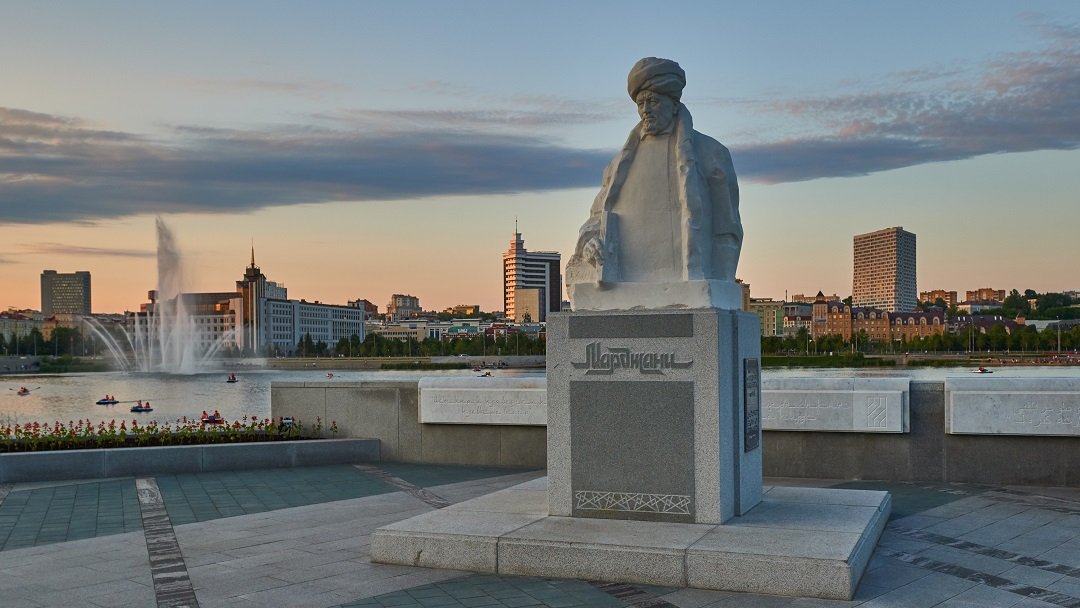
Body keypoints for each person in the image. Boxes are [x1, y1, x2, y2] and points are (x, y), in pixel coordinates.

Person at [564, 57, 742, 309]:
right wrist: (589, 244)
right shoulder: (617, 165)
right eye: (641, 103)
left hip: (690, 288)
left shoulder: (711, 154)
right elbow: (596, 220)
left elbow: (727, 231)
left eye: (653, 101)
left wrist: (720, 288)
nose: (645, 109)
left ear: (674, 104)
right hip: (621, 286)